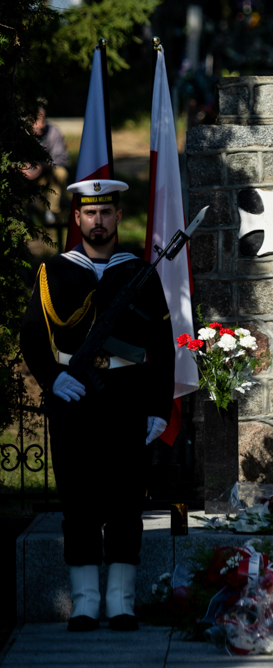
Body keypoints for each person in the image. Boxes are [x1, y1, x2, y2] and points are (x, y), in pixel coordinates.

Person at [20, 178, 175, 632]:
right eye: (90, 213)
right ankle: (85, 603)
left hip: (127, 396)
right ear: (77, 217)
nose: (98, 221)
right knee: (79, 501)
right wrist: (53, 378)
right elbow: (32, 336)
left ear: (118, 216)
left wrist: (159, 407)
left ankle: (121, 602)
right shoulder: (54, 272)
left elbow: (162, 346)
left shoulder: (140, 272)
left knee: (127, 500)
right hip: (75, 398)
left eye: (106, 212)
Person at [21, 104, 70, 223]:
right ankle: (23, 212)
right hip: (24, 174)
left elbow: (61, 158)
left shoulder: (54, 132)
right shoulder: (19, 134)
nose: (41, 125)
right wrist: (21, 168)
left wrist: (43, 167)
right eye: (36, 121)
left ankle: (52, 212)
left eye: (43, 121)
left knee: (61, 173)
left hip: (48, 172)